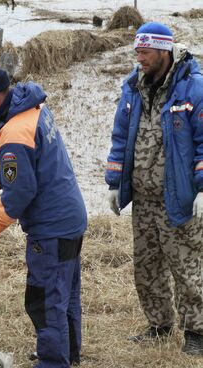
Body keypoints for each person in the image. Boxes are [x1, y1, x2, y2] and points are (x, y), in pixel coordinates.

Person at [0, 63, 87, 367]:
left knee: (44, 299)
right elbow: (36, 162)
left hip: (51, 227)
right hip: (70, 215)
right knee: (66, 293)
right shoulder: (33, 108)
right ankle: (67, 352)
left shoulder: (14, 131)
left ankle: (52, 361)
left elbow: (20, 194)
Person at [105, 22, 203, 355]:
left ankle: (197, 332)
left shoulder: (194, 90)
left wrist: (202, 189)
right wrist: (114, 183)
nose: (139, 59)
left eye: (145, 53)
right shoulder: (133, 87)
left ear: (163, 51)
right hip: (144, 199)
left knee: (187, 265)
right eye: (137, 52)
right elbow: (120, 137)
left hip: (180, 199)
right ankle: (158, 325)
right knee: (146, 265)